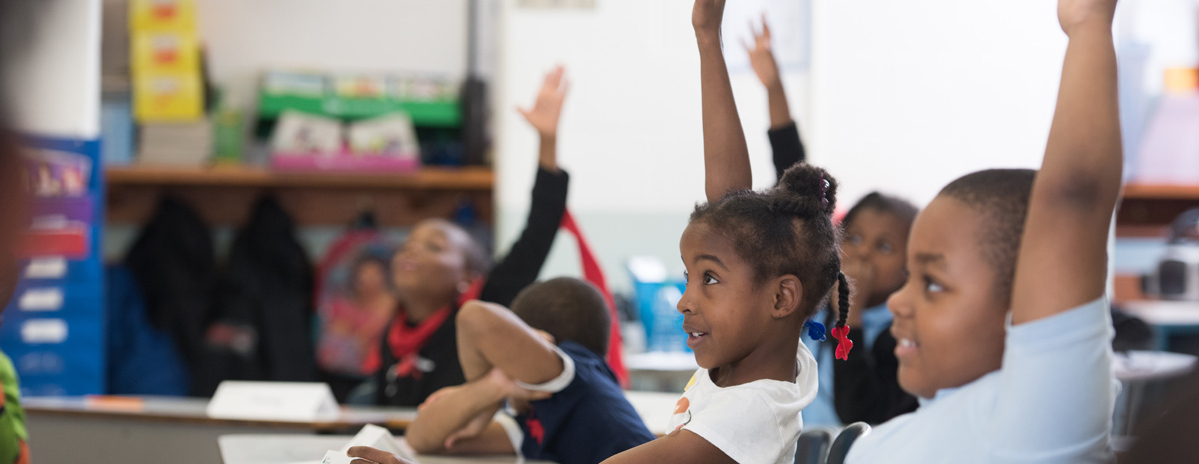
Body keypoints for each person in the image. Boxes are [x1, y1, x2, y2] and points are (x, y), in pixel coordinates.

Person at [847, 0, 1123, 460]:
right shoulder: (924, 418)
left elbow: (1073, 200)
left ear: (1026, 308)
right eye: (912, 277)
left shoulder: (1032, 421)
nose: (898, 299)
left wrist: (1087, 25)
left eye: (933, 283)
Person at [743, 15, 919, 427]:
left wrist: (851, 321)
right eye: (853, 238)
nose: (862, 254)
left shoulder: (902, 332)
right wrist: (774, 88)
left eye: (885, 247)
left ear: (911, 265)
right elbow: (795, 183)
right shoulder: (813, 303)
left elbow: (863, 415)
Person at [369, 66, 571, 407]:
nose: (411, 252)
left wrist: (546, 142)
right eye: (407, 245)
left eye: (433, 246)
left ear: (467, 277)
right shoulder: (393, 333)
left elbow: (538, 233)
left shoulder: (484, 307)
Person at [397, 278, 655, 464]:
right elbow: (420, 439)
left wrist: (485, 409)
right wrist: (488, 388)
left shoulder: (572, 374)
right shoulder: (538, 414)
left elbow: (473, 316)